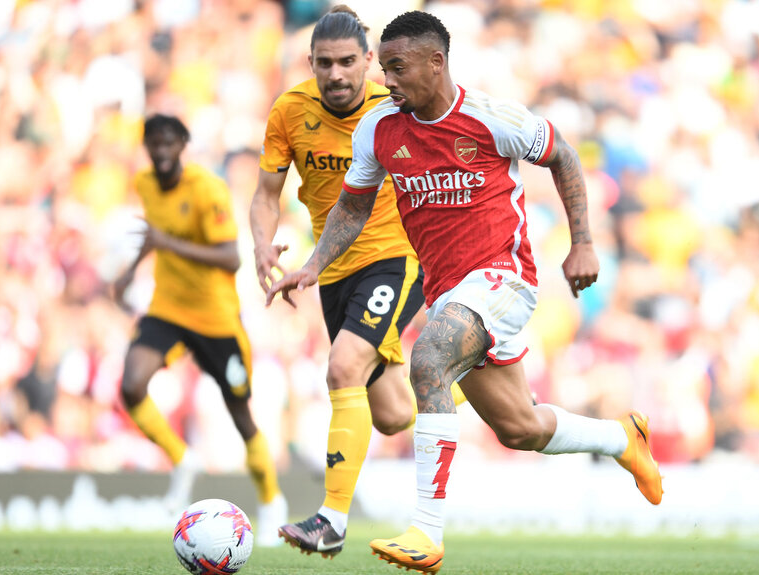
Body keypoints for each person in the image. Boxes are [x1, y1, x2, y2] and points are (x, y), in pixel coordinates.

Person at [267, 10, 663, 574]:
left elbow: (563, 156)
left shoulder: (490, 118)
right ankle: (621, 439)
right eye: (384, 68)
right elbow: (352, 206)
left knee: (427, 358)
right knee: (518, 427)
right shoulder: (379, 130)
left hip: (505, 277)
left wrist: (582, 243)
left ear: (437, 62)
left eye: (397, 68)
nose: (387, 81)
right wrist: (312, 265)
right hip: (450, 289)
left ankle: (426, 532)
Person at [249, 5, 466, 558]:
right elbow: (265, 195)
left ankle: (332, 520)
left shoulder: (396, 105)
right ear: (311, 63)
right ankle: (469, 389)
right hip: (329, 269)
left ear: (369, 61)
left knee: (343, 365)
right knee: (393, 415)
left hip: (398, 257)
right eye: (325, 63)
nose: (337, 74)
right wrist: (260, 242)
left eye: (348, 62)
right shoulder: (289, 111)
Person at [114, 114, 287, 547]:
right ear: (146, 146)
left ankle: (271, 501)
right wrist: (129, 271)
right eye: (154, 142)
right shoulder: (146, 185)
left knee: (240, 415)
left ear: (183, 145)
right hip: (168, 308)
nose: (161, 150)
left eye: (169, 142)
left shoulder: (207, 188)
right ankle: (182, 459)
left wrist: (165, 245)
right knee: (132, 385)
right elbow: (154, 236)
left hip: (216, 319)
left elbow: (230, 258)